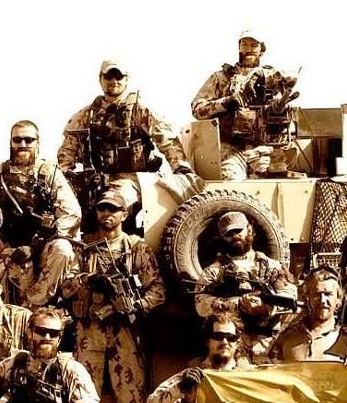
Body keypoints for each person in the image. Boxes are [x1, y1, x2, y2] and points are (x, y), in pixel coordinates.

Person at [63, 189, 166, 403]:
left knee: (131, 397)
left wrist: (135, 306)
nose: (106, 213)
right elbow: (64, 288)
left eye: (113, 209)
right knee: (83, 396)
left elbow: (158, 290)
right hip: (89, 330)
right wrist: (86, 280)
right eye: (102, 208)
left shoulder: (136, 248)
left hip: (125, 331)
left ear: (124, 214)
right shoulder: (83, 247)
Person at [58, 59, 198, 221]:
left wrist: (181, 169)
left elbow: (168, 141)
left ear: (126, 79)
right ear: (100, 79)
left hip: (133, 179)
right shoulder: (86, 115)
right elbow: (67, 150)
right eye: (108, 76)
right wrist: (65, 178)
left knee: (110, 207)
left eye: (118, 76)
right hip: (95, 180)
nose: (114, 81)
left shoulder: (140, 111)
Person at [0, 120, 82, 307]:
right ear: (11, 142)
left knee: (63, 249)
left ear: (38, 143)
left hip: (42, 244)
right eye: (17, 140)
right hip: (5, 242)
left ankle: (35, 299)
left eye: (28, 140)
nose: (22, 144)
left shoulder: (49, 173)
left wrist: (35, 247)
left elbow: (71, 214)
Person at [191, 30, 298, 181]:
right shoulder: (221, 78)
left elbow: (291, 80)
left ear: (262, 49)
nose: (248, 49)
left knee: (278, 185)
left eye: (254, 45)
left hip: (266, 150)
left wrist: (271, 78)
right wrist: (227, 102)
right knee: (233, 185)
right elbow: (197, 109)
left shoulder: (274, 78)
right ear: (239, 47)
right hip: (231, 150)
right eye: (244, 44)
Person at [195, 211, 297, 362]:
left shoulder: (271, 267)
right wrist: (236, 304)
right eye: (229, 234)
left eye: (238, 230)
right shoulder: (214, 271)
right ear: (222, 238)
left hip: (266, 346)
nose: (235, 236)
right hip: (230, 346)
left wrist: (265, 308)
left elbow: (290, 295)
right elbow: (200, 304)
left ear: (249, 229)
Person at [147, 314, 249, 403]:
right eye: (218, 336)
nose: (224, 342)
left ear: (237, 343)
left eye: (230, 338)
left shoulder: (248, 376)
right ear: (208, 341)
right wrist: (180, 388)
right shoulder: (194, 374)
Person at [269, 266, 347, 364]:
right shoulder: (287, 337)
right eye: (317, 294)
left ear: (338, 298)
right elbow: (271, 370)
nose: (322, 300)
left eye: (328, 294)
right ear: (307, 297)